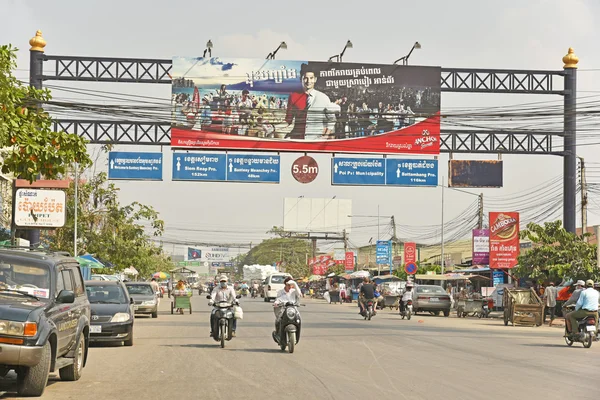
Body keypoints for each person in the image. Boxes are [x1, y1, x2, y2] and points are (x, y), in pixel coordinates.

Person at [283, 63, 340, 140]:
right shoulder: (294, 96)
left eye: (311, 78)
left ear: (315, 79)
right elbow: (288, 120)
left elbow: (331, 120)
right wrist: (273, 127)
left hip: (316, 140)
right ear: (301, 79)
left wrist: (326, 136)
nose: (308, 81)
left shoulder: (323, 97)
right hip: (297, 139)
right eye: (305, 78)